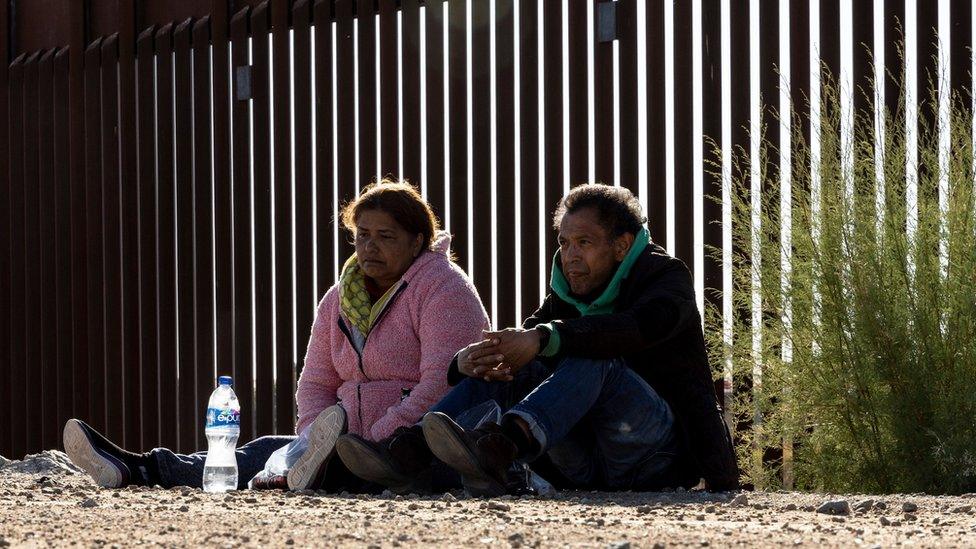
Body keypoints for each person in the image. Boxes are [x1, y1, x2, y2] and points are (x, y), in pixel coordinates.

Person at [63, 180, 490, 491]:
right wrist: (311, 438)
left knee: (281, 458)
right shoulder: (342, 296)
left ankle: (312, 473)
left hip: (410, 448)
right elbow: (317, 382)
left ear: (417, 241)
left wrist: (374, 440)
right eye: (361, 235)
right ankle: (136, 469)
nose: (369, 248)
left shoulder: (443, 288)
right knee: (262, 447)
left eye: (385, 237)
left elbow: (441, 384)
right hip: (345, 440)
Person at [336, 183, 740, 496]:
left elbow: (633, 330)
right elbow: (532, 341)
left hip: (654, 456)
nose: (570, 255)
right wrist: (469, 362)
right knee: (515, 364)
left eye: (584, 243)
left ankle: (503, 445)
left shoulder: (666, 280)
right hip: (586, 465)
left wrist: (544, 338)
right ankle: (410, 452)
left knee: (593, 357)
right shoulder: (568, 292)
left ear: (621, 246)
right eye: (564, 243)